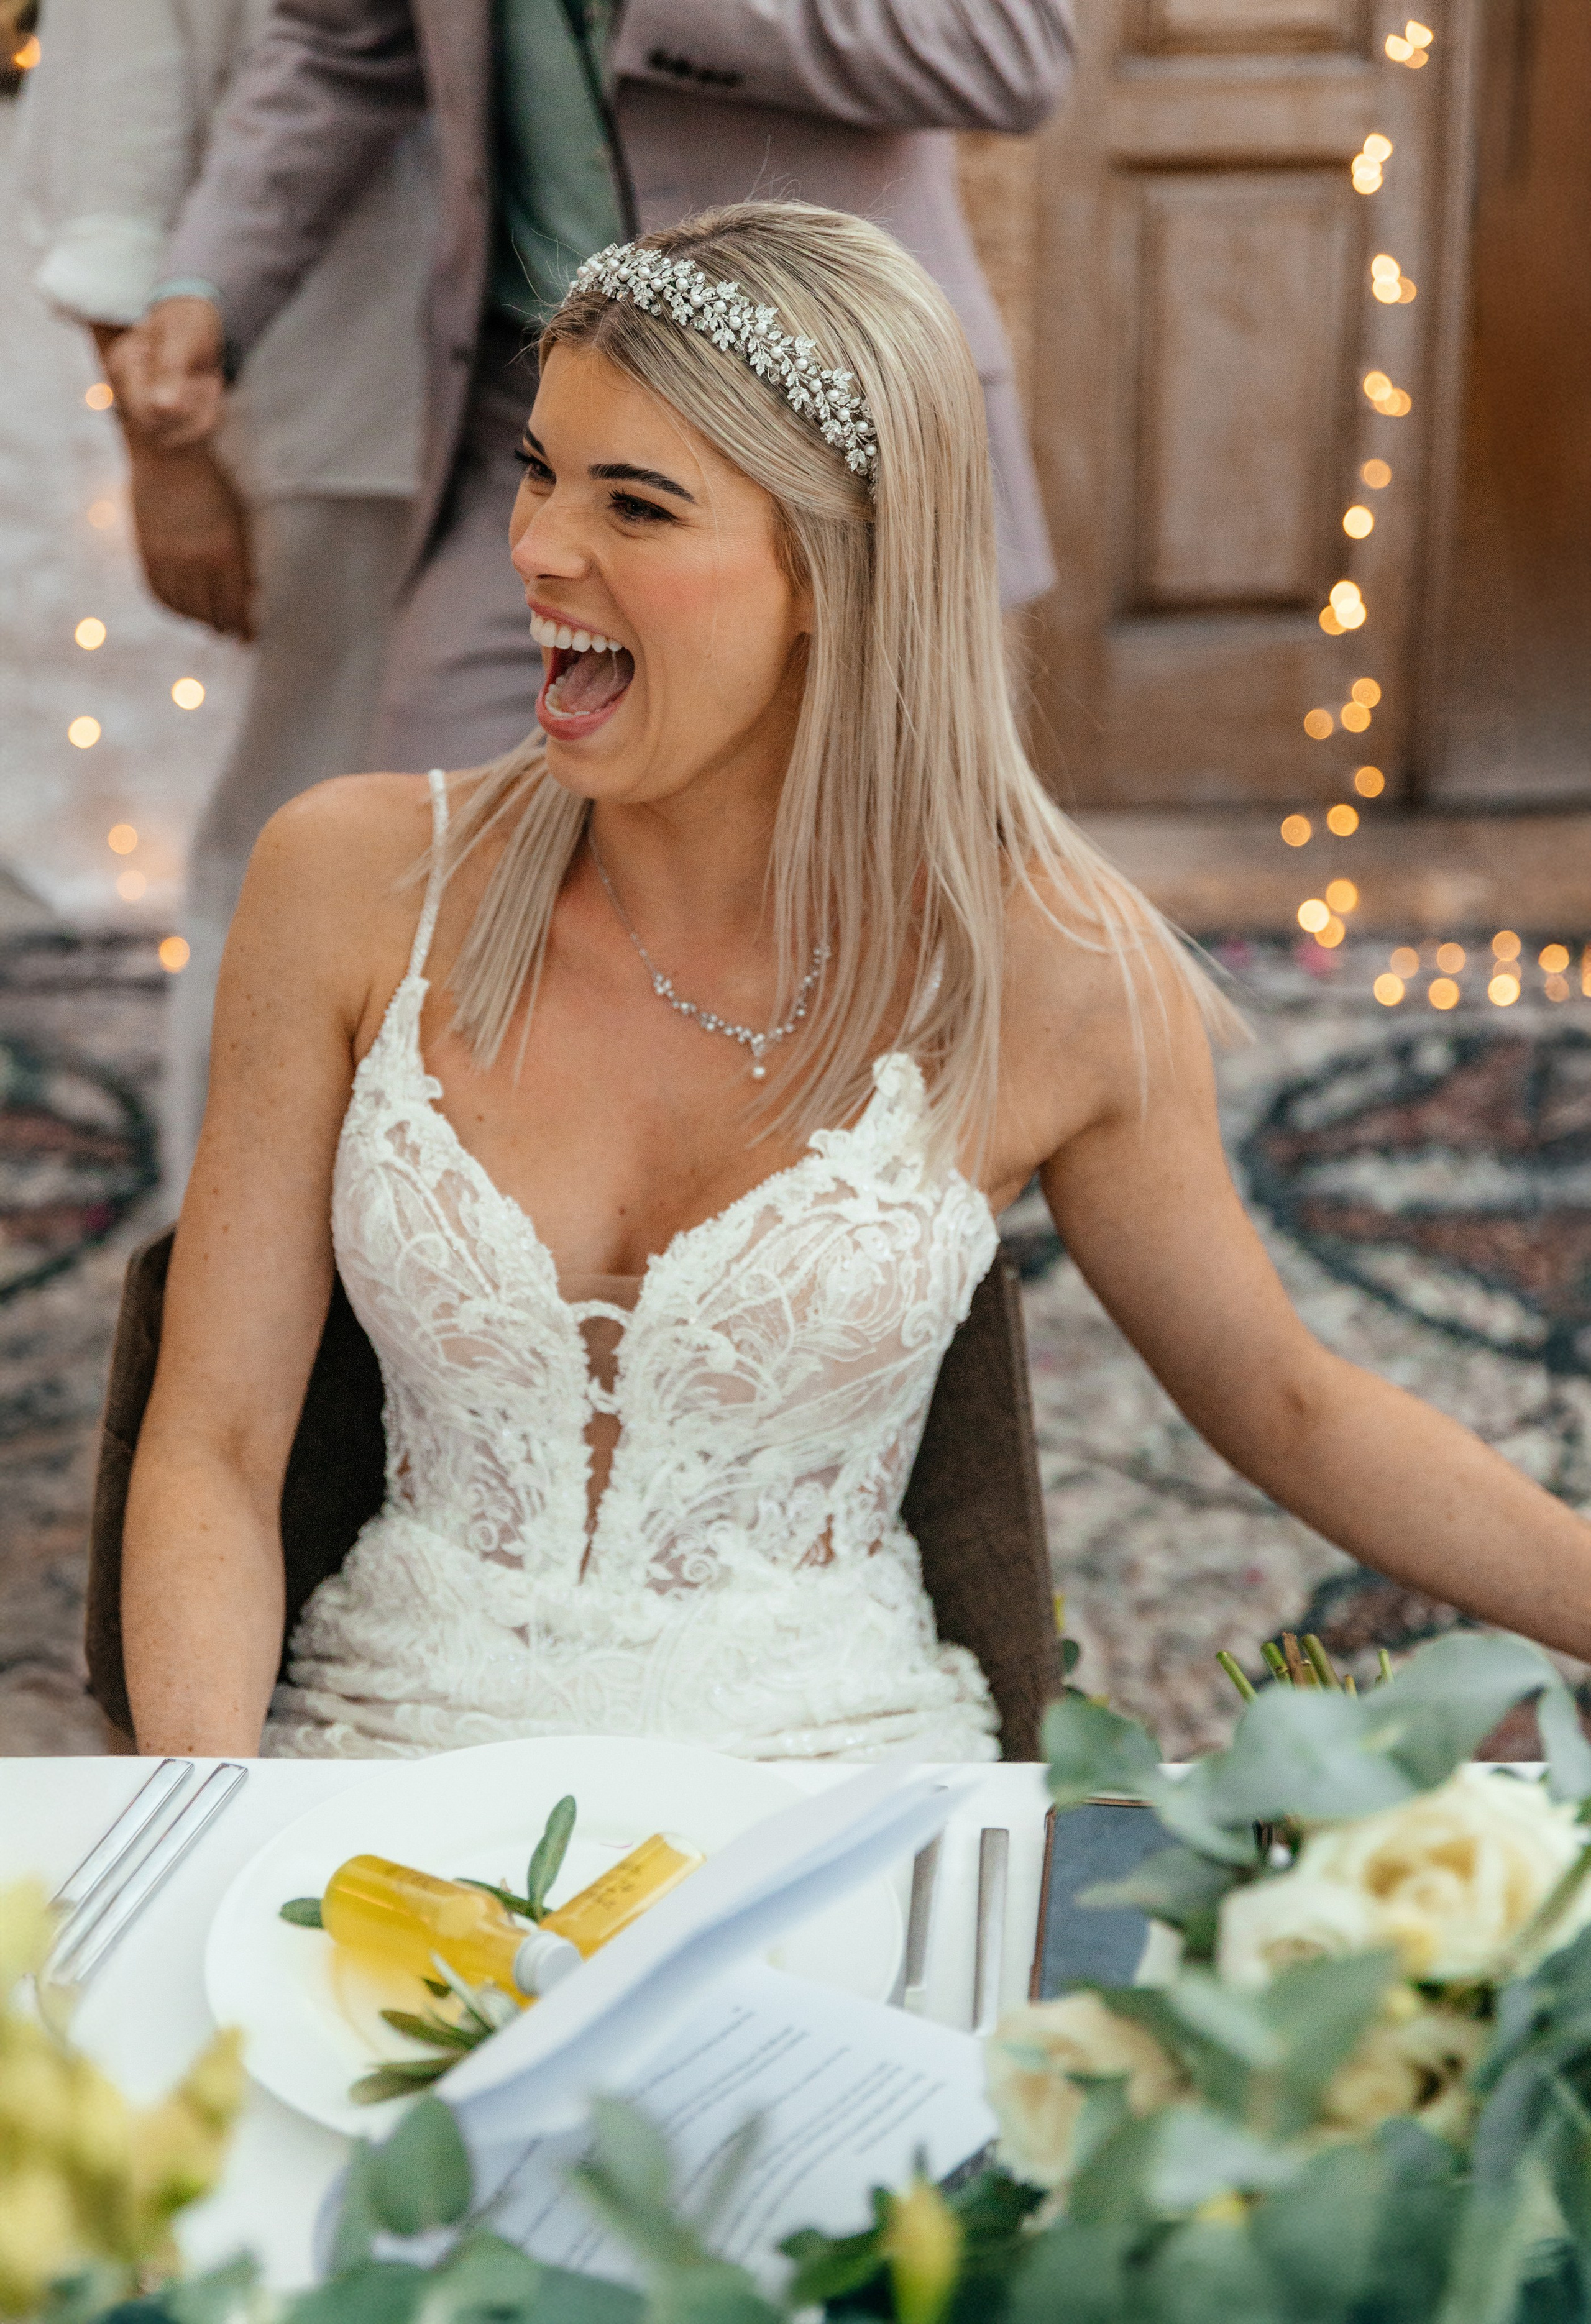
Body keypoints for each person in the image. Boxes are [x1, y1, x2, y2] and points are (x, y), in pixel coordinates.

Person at [121, 203, 1591, 1764]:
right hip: (382, 1764)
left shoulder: (1057, 975)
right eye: (541, 471)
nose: (540, 549)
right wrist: (209, 1827)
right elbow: (211, 1439)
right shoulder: (350, 879)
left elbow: (1288, 1402)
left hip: (837, 1792)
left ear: (831, 572)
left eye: (637, 505)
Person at [106, 1, 1072, 775]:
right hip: (532, 432)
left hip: (820, 445)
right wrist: (208, 292)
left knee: (863, 886)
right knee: (440, 846)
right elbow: (335, 51)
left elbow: (1009, 51)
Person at [17, 0, 433, 1187]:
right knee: (300, 845)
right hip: (328, 408)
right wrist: (166, 465)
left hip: (529, 398)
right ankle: (229, 1241)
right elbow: (110, 171)